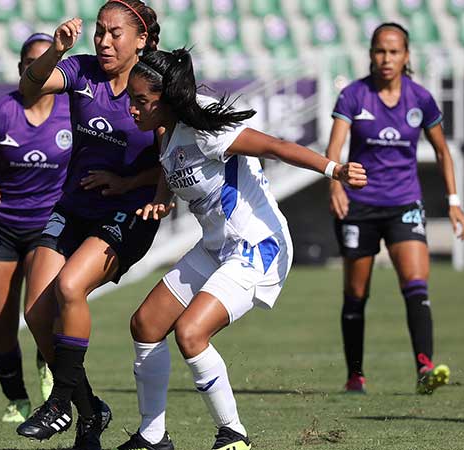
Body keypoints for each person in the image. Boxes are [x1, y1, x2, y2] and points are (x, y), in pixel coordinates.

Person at [118, 48, 367, 450]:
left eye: (139, 101)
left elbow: (274, 147)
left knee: (190, 333)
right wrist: (162, 199)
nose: (131, 108)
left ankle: (233, 436)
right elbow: (169, 164)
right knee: (146, 324)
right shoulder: (162, 126)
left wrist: (333, 169)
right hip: (217, 246)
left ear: (164, 99)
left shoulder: (206, 125)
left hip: (257, 247)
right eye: (131, 99)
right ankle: (152, 436)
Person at [14, 2, 162, 449]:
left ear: (141, 39)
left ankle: (60, 402)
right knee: (36, 312)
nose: (103, 40)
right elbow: (29, 87)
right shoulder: (80, 71)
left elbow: (174, 160)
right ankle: (90, 409)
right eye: (99, 31)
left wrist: (129, 181)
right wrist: (55, 51)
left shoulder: (156, 86)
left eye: (115, 33)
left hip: (127, 214)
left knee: (69, 288)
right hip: (74, 208)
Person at [325, 22, 464, 395]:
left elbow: (442, 151)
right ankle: (355, 375)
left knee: (416, 284)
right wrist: (334, 183)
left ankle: (424, 368)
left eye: (393, 51)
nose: (386, 58)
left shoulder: (421, 99)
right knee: (356, 295)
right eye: (379, 51)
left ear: (406, 56)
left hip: (404, 202)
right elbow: (334, 149)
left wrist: (454, 202)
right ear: (371, 55)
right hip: (359, 206)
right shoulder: (354, 96)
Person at [0, 32, 69, 423]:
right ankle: (16, 399)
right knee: (2, 321)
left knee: (41, 309)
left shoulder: (72, 110)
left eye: (47, 64)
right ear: (22, 70)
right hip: (0, 225)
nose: (39, 71)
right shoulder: (1, 110)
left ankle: (48, 369)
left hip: (46, 227)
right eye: (31, 65)